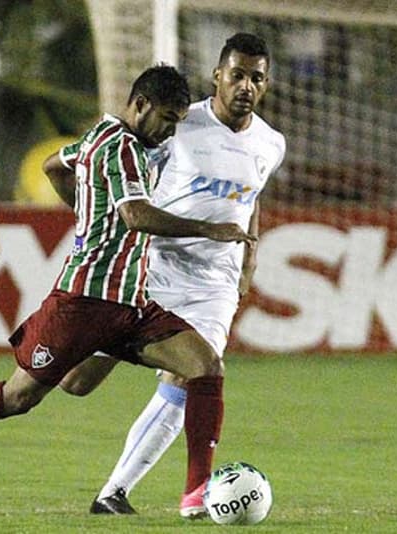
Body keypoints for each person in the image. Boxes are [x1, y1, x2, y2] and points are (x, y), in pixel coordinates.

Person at [0, 65, 256, 515]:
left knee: (205, 365)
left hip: (132, 305)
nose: (172, 131)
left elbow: (55, 165)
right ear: (140, 106)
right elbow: (135, 215)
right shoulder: (121, 148)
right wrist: (208, 229)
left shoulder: (102, 136)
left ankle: (197, 494)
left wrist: (87, 210)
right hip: (82, 304)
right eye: (168, 120)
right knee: (17, 397)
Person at [60, 33, 285, 518]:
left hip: (214, 284)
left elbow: (251, 199)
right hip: (152, 269)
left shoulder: (271, 143)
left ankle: (135, 492)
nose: (247, 85)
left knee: (192, 375)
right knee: (76, 381)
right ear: (218, 77)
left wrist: (248, 262)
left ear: (266, 85)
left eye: (257, 78)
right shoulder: (181, 124)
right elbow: (120, 171)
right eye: (238, 74)